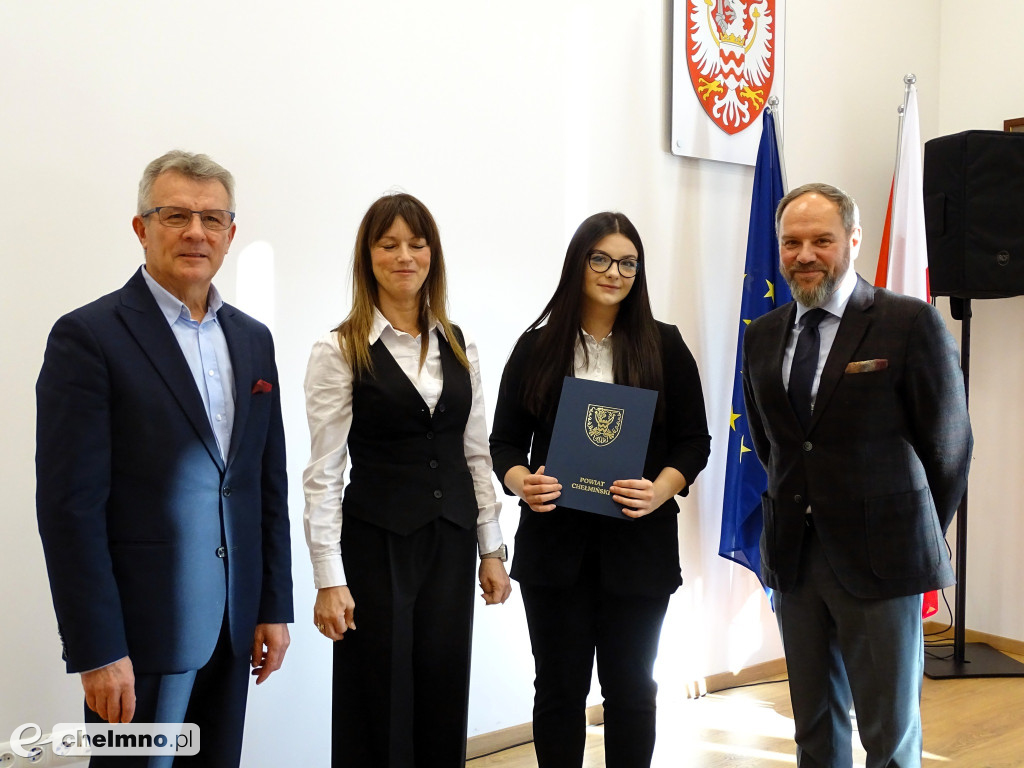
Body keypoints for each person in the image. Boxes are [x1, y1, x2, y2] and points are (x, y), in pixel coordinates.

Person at [35, 150, 293, 767]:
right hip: (138, 636)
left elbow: (263, 484)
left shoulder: (253, 339)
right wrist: (97, 647)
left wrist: (271, 606)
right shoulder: (89, 337)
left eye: (212, 218)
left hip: (233, 627)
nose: (195, 232)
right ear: (141, 227)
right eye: (176, 215)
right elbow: (70, 509)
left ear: (231, 233)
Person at [741, 183, 973, 768]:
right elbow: (774, 444)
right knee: (813, 730)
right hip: (795, 559)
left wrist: (909, 529)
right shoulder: (762, 334)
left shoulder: (907, 322)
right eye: (792, 242)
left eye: (822, 240)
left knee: (889, 736)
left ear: (853, 240)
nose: (805, 254)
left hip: (883, 561)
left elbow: (949, 447)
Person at [489, 212, 711, 768]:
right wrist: (524, 483)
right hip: (554, 549)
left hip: (638, 549)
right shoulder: (537, 347)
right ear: (578, 263)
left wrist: (660, 489)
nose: (615, 272)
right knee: (559, 692)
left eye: (628, 263)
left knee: (633, 693)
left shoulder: (664, 345)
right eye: (602, 259)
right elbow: (504, 444)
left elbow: (694, 442)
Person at [303, 192, 511, 767]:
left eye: (417, 244)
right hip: (376, 546)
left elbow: (476, 456)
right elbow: (323, 474)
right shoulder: (339, 349)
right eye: (388, 244)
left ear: (432, 256)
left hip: (449, 541)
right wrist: (328, 578)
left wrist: (491, 549)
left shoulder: (459, 343)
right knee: (377, 700)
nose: (404, 256)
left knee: (444, 691)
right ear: (367, 256)